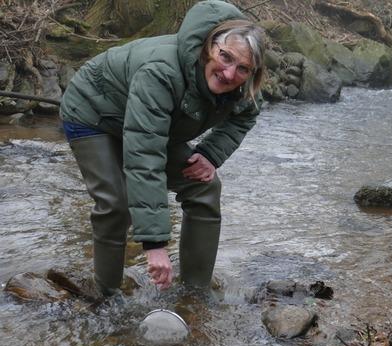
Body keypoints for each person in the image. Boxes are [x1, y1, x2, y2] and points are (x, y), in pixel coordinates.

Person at [59, 0, 266, 296]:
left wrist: (210, 154)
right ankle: (106, 298)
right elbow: (145, 156)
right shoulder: (161, 71)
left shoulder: (243, 86)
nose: (229, 73)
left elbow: (247, 115)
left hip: (147, 121)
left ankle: (195, 293)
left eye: (242, 68)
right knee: (116, 204)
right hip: (94, 113)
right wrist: (154, 245)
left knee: (204, 186)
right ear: (209, 47)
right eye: (225, 57)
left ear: (253, 71)